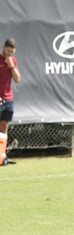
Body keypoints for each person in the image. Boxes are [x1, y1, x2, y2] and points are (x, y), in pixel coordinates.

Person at [0, 38, 22, 166]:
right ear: (3, 47)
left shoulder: (13, 60)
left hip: (9, 100)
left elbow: (17, 79)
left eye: (11, 52)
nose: (9, 54)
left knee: (4, 128)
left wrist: (11, 64)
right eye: (7, 51)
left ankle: (2, 156)